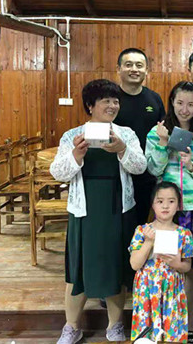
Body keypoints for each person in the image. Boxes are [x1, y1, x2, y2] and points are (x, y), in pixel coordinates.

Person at [50, 79, 147, 344]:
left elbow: (140, 167)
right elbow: (57, 173)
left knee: (116, 267)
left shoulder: (126, 134)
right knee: (78, 269)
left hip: (118, 209)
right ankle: (72, 326)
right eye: (106, 101)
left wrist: (122, 149)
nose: (113, 105)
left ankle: (115, 324)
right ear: (90, 105)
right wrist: (76, 155)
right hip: (85, 211)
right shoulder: (72, 135)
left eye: (116, 101)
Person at [145, 81, 193, 344]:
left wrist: (192, 166)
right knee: (165, 265)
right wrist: (163, 144)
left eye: (190, 104)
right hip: (168, 212)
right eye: (179, 103)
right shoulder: (157, 133)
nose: (184, 109)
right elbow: (153, 169)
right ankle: (165, 322)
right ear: (171, 103)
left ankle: (188, 324)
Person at [129, 181, 193, 343]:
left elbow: (187, 266)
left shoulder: (184, 233)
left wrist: (177, 264)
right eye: (160, 201)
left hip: (171, 291)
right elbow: (135, 264)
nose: (165, 206)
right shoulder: (142, 231)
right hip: (147, 290)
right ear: (153, 205)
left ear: (178, 205)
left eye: (171, 201)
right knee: (146, 334)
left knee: (171, 333)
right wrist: (148, 242)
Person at [114, 47, 166, 225]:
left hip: (147, 174)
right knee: (118, 224)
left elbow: (163, 132)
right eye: (128, 65)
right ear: (119, 69)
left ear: (146, 70)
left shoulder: (154, 99)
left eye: (139, 65)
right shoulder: (111, 99)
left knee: (141, 222)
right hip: (117, 173)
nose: (134, 69)